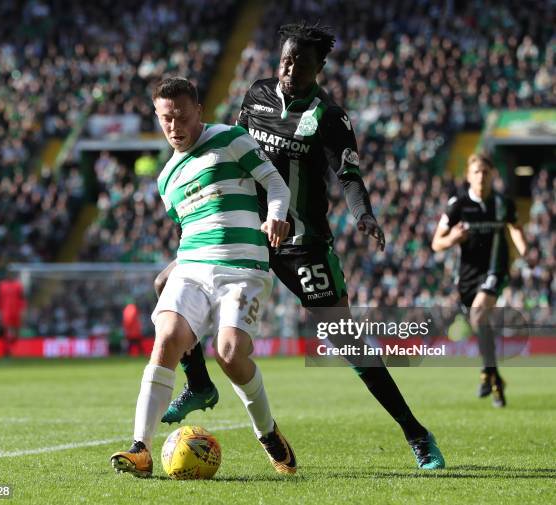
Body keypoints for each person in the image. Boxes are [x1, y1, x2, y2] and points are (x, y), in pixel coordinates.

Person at [155, 22, 445, 470]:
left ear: (320, 67)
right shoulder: (257, 95)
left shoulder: (329, 117)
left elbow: (349, 176)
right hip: (247, 232)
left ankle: (417, 434)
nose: (289, 68)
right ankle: (200, 384)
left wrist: (364, 213)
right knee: (165, 282)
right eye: (285, 59)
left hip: (303, 244)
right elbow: (229, 148)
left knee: (345, 338)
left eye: (301, 63)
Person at [110, 77, 296, 477]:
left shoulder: (231, 138)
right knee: (165, 342)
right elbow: (193, 229)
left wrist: (275, 216)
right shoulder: (166, 179)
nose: (174, 127)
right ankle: (140, 449)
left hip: (243, 268)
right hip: (193, 267)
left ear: (198, 111)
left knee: (230, 353)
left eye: (180, 116)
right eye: (165, 119)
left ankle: (266, 432)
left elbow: (276, 185)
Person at [432, 153, 527, 407]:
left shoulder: (502, 203)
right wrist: (452, 239)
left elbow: (515, 227)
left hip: (496, 269)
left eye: (486, 172)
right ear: (468, 176)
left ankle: (487, 374)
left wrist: (524, 249)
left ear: (493, 174)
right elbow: (436, 243)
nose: (481, 177)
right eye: (477, 172)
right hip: (467, 277)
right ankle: (494, 378)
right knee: (480, 322)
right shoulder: (458, 205)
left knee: (477, 314)